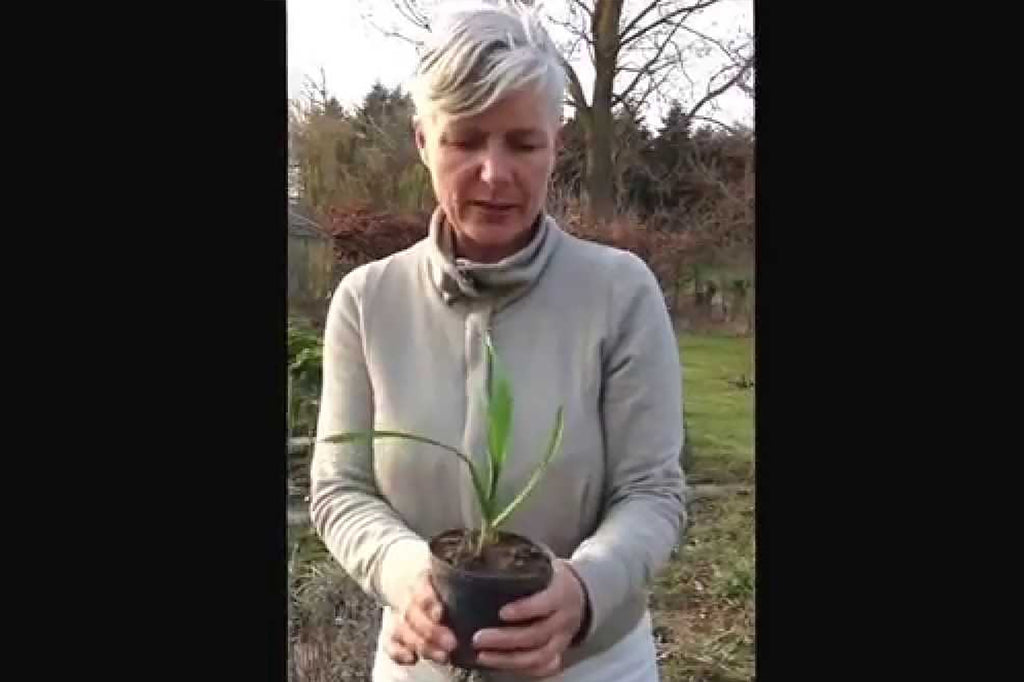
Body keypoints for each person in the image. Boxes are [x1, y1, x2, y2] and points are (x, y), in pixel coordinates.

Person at [310, 2, 685, 680]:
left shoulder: (619, 294)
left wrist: (585, 590)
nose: (494, 173)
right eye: (465, 140)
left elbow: (653, 490)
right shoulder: (367, 303)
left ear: (556, 146)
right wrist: (404, 578)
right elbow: (340, 488)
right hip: (422, 661)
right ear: (424, 141)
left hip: (591, 664)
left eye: (522, 142)